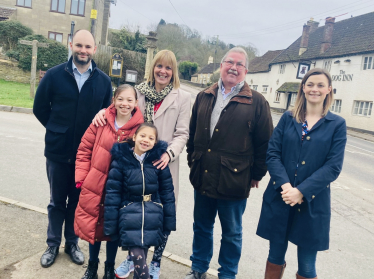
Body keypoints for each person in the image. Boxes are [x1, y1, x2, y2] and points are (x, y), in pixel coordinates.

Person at [93, 49, 190, 278]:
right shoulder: (139, 92)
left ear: (173, 71)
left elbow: (183, 133)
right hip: (136, 164)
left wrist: (169, 154)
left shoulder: (183, 97)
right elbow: (121, 108)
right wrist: (103, 112)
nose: (163, 71)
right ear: (152, 68)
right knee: (137, 213)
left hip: (163, 164)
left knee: (161, 214)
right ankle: (134, 259)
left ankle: (155, 262)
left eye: (168, 67)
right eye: (159, 66)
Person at [185, 47, 273, 279]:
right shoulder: (204, 96)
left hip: (234, 179)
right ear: (221, 65)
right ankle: (199, 268)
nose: (233, 67)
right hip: (203, 174)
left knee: (232, 233)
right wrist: (192, 160)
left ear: (246, 70)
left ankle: (227, 274)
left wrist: (256, 174)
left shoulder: (257, 103)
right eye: (229, 62)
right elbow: (192, 134)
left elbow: (265, 144)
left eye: (239, 64)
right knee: (201, 227)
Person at [256, 68, 347, 279]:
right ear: (303, 88)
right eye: (310, 84)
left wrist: (301, 192)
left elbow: (333, 167)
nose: (315, 89)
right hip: (281, 198)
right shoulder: (288, 118)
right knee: (275, 257)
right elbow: (272, 154)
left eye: (320, 85)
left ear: (328, 90)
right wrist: (287, 187)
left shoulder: (337, 125)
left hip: (312, 203)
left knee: (307, 265)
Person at [33, 29, 113, 268]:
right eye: (79, 45)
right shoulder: (55, 75)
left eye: (88, 47)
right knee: (57, 201)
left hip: (87, 157)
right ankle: (52, 244)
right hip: (58, 152)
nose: (83, 51)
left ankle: (72, 243)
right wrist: (56, 129)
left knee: (78, 203)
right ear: (71, 45)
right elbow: (39, 108)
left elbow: (107, 115)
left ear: (95, 49)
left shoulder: (103, 81)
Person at [74, 85, 144, 279]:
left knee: (112, 229)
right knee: (94, 227)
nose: (125, 104)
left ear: (136, 103)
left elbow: (141, 162)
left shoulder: (139, 128)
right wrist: (82, 177)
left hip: (119, 190)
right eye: (121, 99)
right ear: (114, 100)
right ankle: (92, 266)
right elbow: (84, 149)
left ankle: (109, 268)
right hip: (95, 185)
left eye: (130, 100)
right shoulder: (101, 121)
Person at [103, 123, 176, 279]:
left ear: (155, 143)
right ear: (134, 137)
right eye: (143, 136)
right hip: (129, 217)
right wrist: (110, 223)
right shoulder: (121, 160)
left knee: (140, 261)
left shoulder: (158, 162)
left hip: (152, 217)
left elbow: (167, 192)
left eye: (151, 138)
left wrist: (169, 221)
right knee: (139, 261)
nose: (146, 140)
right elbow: (113, 193)